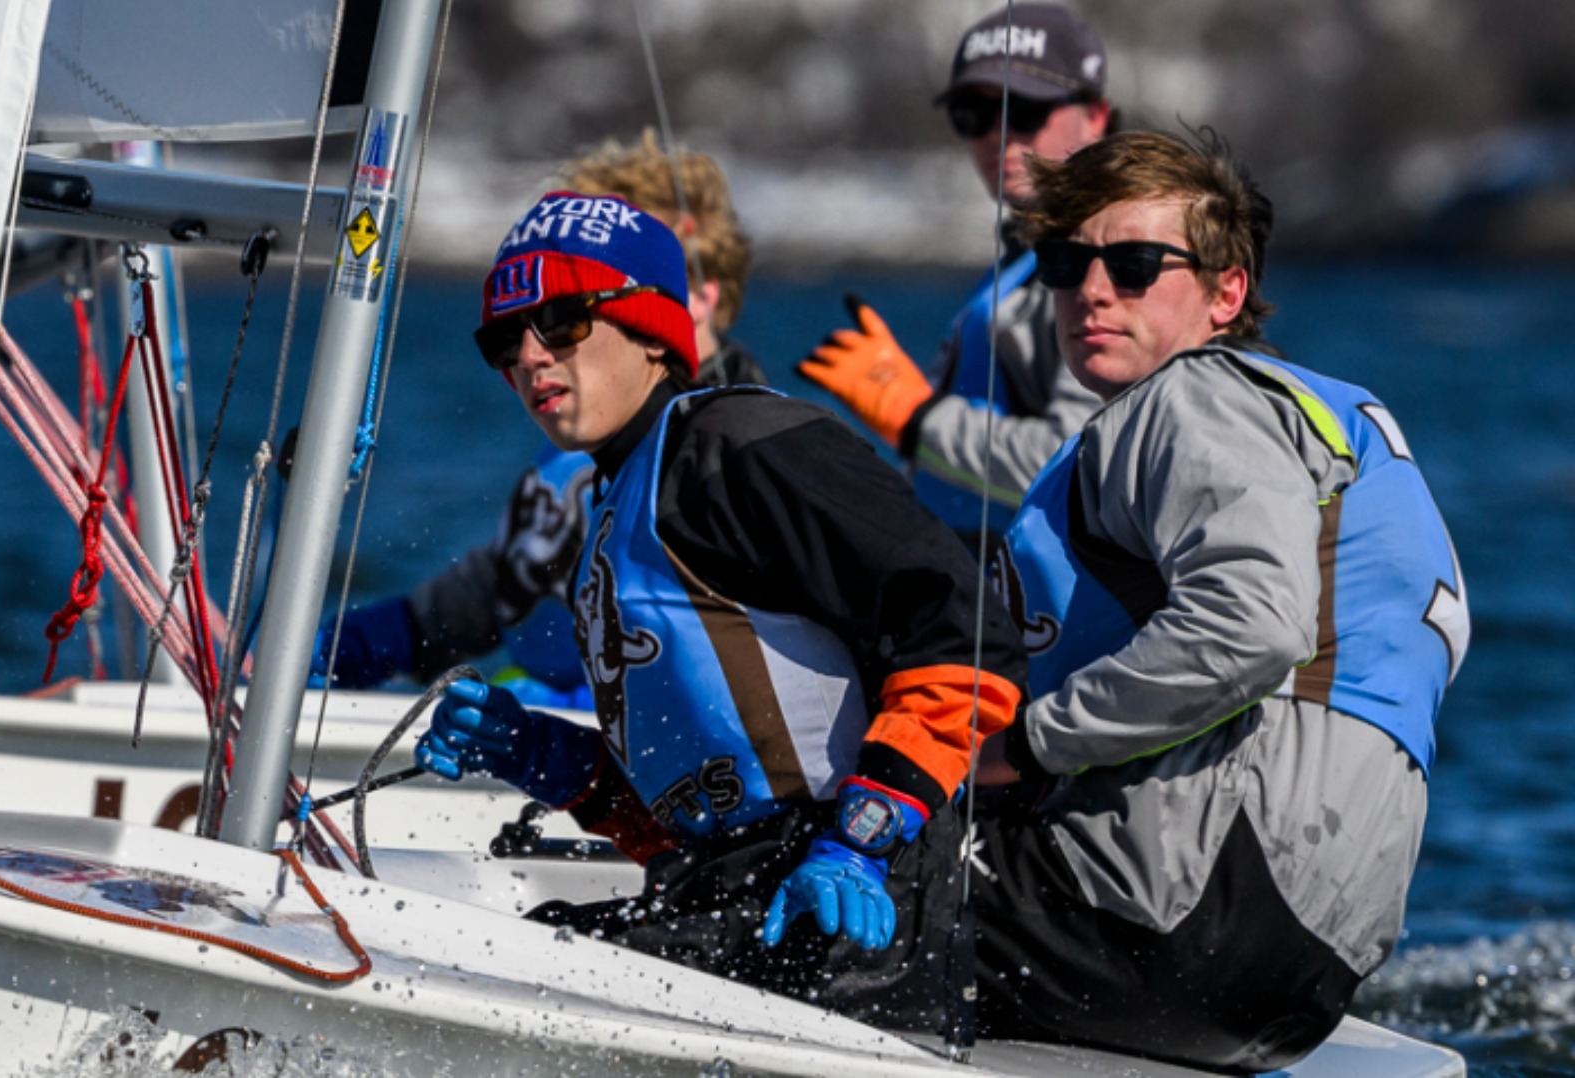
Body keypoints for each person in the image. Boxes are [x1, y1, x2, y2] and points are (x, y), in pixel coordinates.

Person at [413, 190, 1028, 1029]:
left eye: (558, 319)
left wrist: (860, 840)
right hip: (725, 897)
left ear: (651, 328)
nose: (527, 356)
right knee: (504, 959)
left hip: (849, 916)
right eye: (502, 338)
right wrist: (554, 761)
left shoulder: (740, 445)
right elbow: (691, 821)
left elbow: (968, 633)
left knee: (510, 990)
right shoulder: (615, 501)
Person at [969, 130, 1469, 1071]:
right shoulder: (1326, 413)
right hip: (1306, 969)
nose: (1093, 289)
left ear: (1225, 293)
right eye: (1065, 262)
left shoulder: (1190, 398)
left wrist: (1022, 748)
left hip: (1170, 911)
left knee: (788, 877)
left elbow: (1250, 625)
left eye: (1134, 263)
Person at [312, 134, 765, 707]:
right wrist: (355, 643)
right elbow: (504, 581)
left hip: (634, 755)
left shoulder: (732, 452)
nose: (539, 348)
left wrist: (570, 709)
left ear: (697, 294)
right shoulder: (578, 433)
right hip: (538, 731)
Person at [799, 2, 1110, 547]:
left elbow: (1084, 458)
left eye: (1026, 109)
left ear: (1097, 116)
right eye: (974, 114)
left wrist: (916, 416)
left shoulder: (1106, 265)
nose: (999, 135)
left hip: (1049, 616)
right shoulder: (1021, 261)